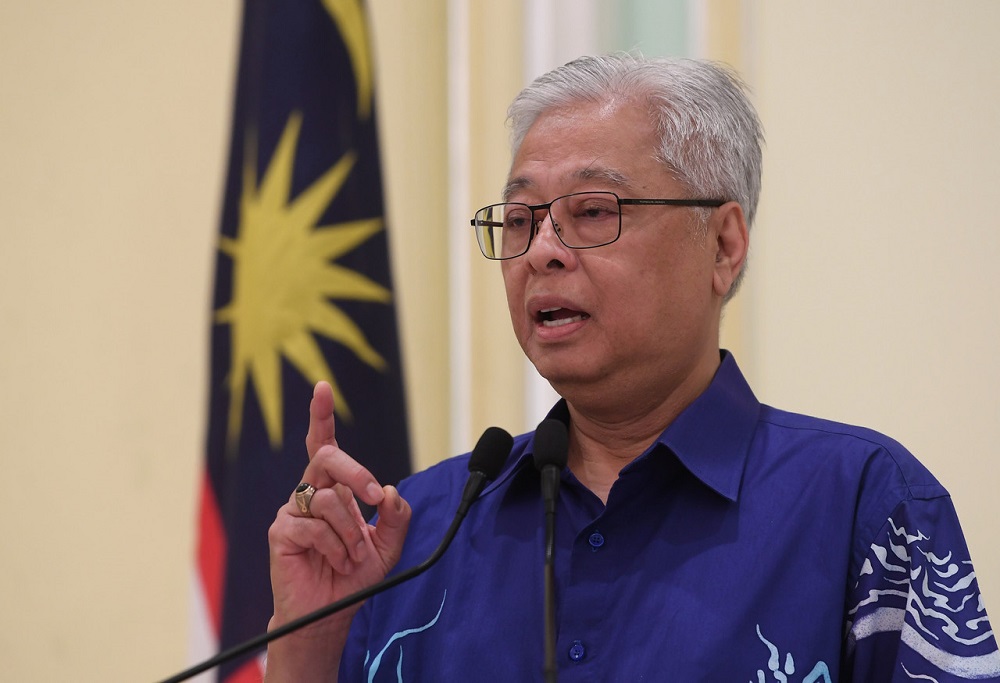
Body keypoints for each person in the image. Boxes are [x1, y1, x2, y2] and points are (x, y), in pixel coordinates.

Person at [264, 54, 999, 682]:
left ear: (723, 245)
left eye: (592, 211)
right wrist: (309, 647)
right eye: (519, 220)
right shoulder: (420, 530)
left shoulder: (863, 505)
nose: (542, 252)